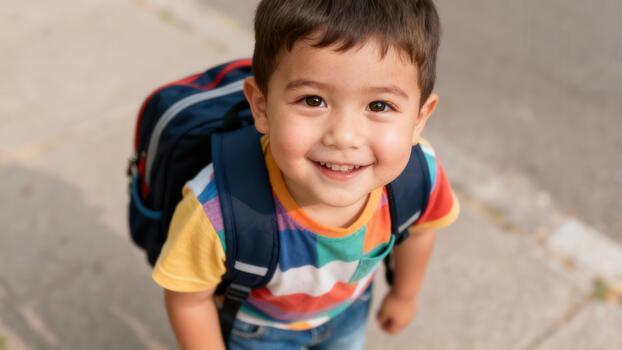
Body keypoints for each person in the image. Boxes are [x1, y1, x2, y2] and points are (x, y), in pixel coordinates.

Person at [152, 0, 459, 348]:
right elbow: (188, 299)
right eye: (313, 100)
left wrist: (405, 294)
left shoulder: (419, 176)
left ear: (420, 117)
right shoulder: (217, 210)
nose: (344, 136)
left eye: (379, 106)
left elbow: (419, 233)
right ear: (262, 106)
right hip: (255, 331)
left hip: (348, 312)